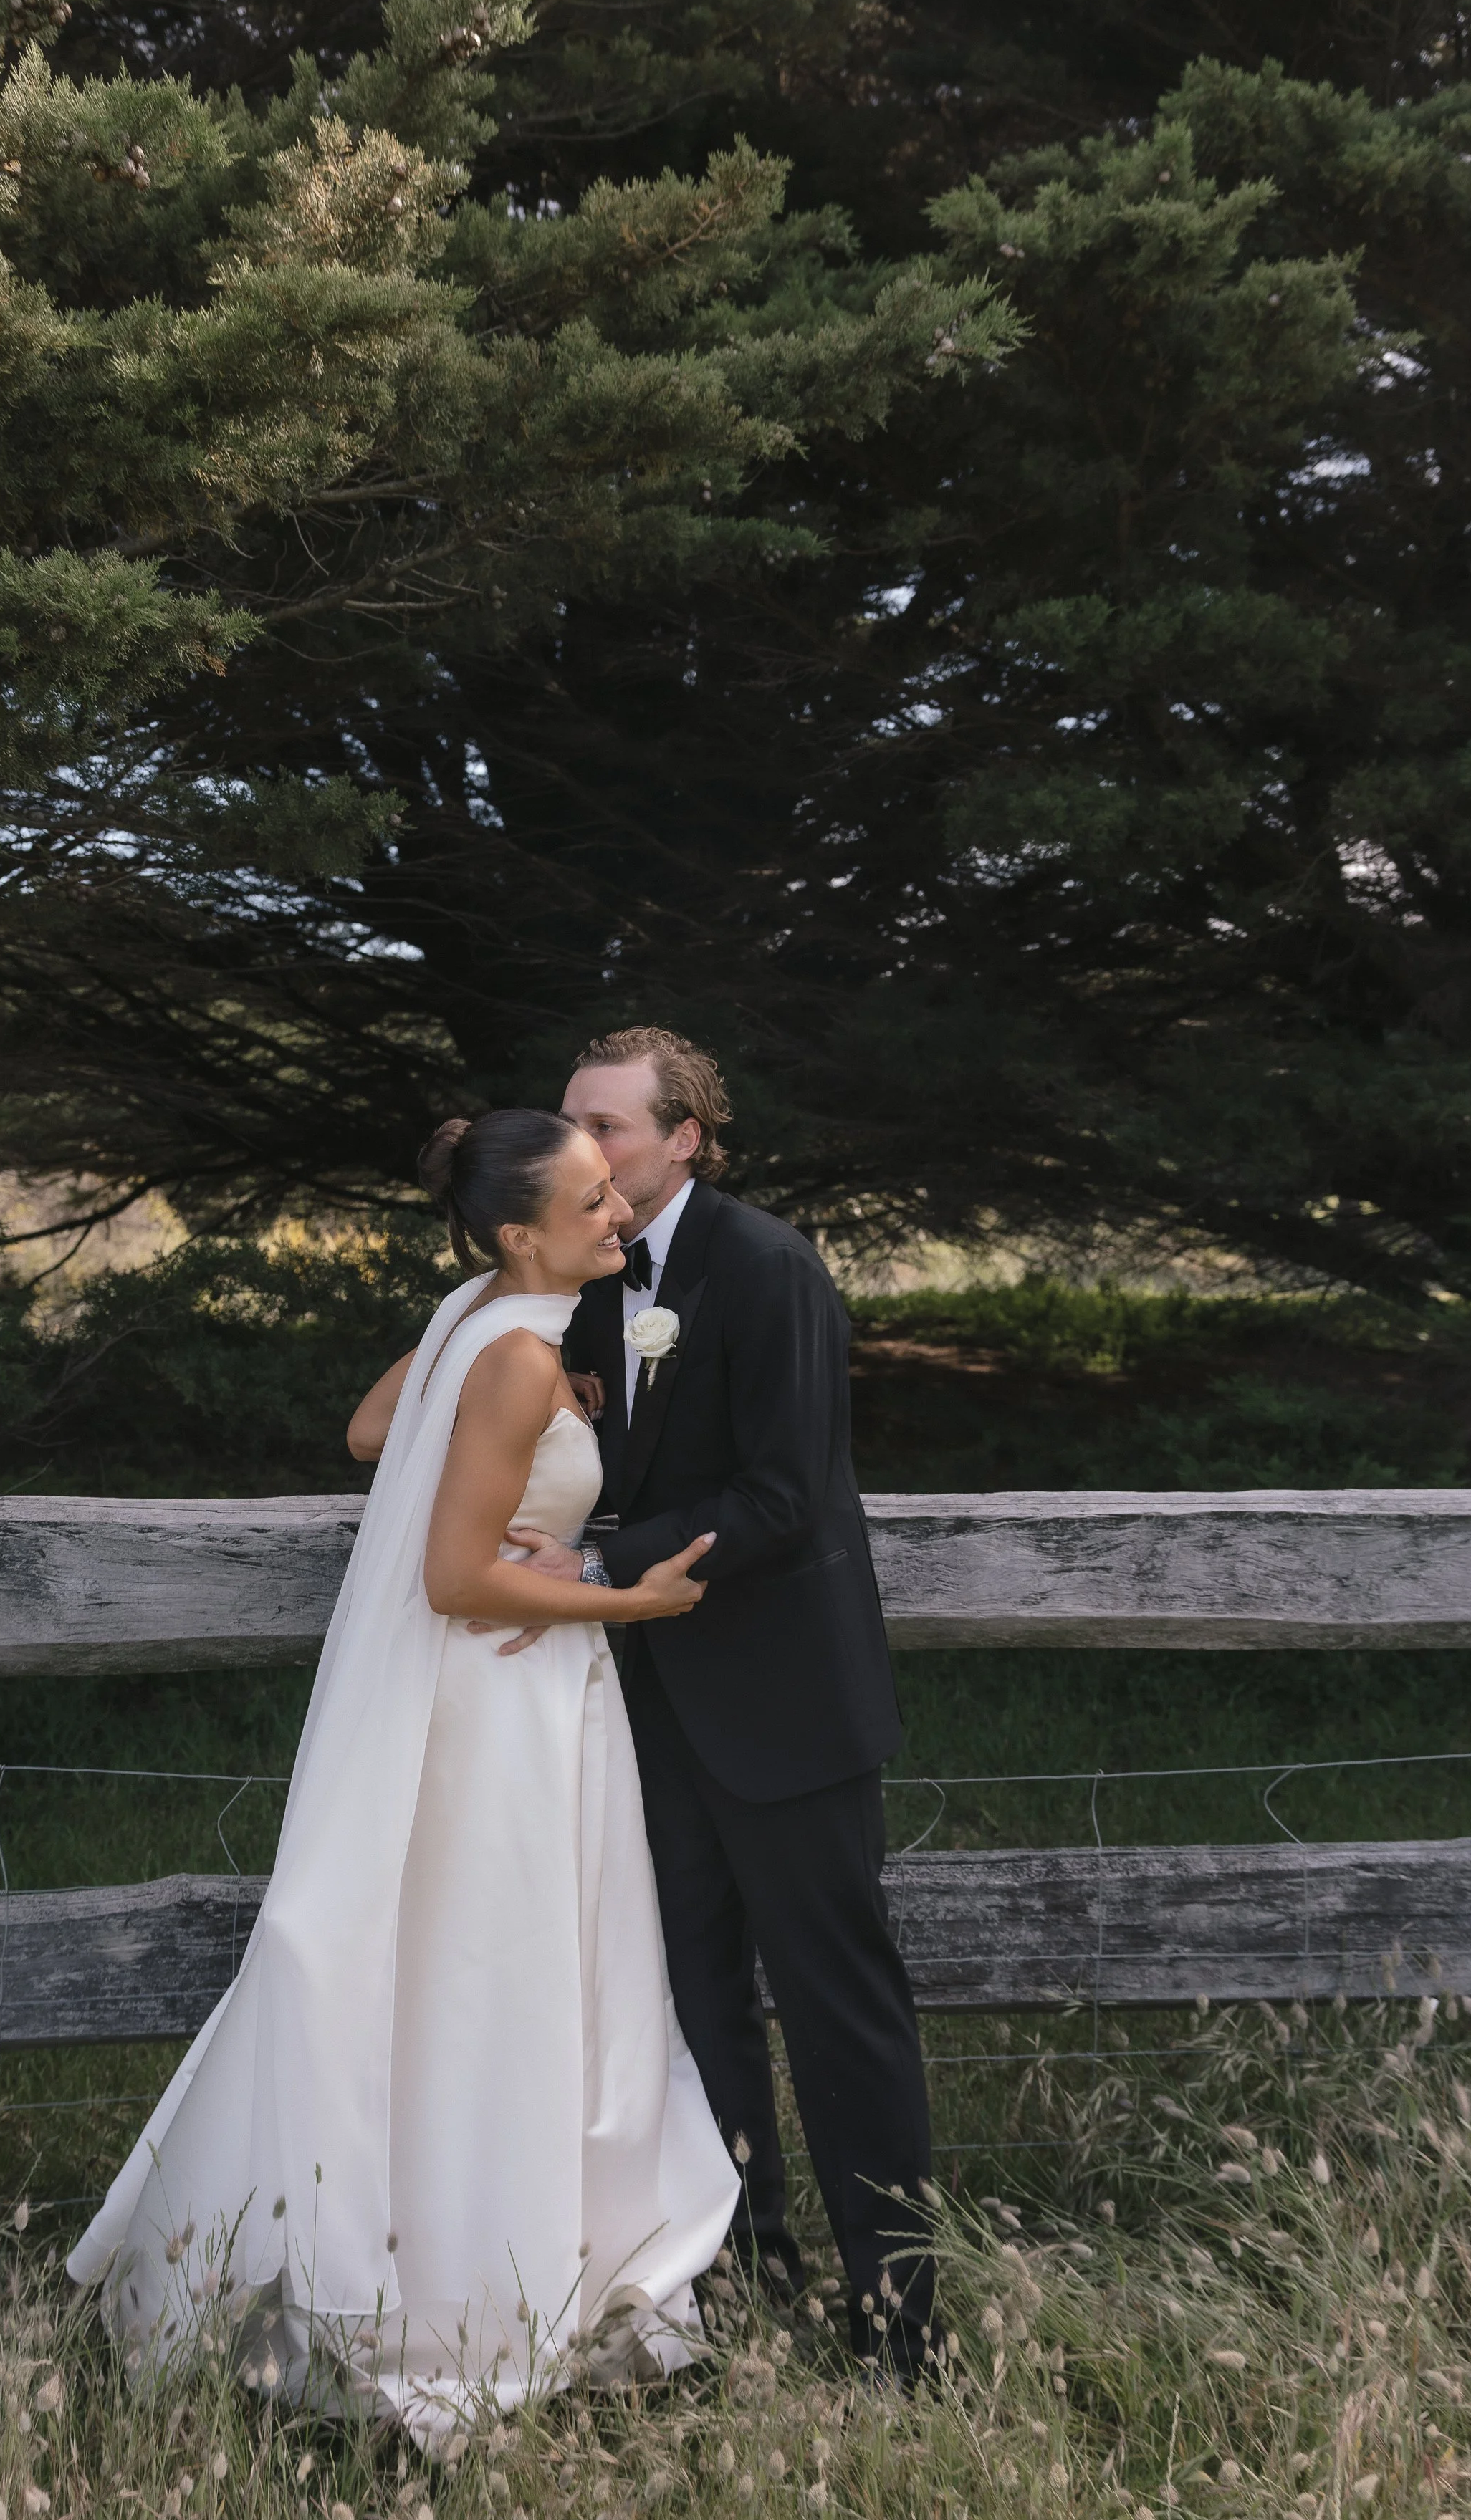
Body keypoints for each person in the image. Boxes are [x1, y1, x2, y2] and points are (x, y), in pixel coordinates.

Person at [66, 1110, 739, 2446]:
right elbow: (450, 1575)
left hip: (509, 1696)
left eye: (616, 1192)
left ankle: (484, 2252)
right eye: (594, 1201)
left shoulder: (477, 1313)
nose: (620, 1214)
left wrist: (532, 1454)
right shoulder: (509, 1350)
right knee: (502, 1973)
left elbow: (374, 1430)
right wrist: (633, 1599)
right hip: (511, 1698)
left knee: (459, 1965)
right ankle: (467, 2290)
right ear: (519, 1231)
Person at [526, 1028, 937, 2380]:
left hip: (787, 1709)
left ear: (687, 1135)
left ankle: (901, 2330)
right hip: (644, 1718)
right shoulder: (580, 1277)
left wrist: (592, 1559)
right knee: (693, 2011)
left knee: (840, 2013)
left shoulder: (767, 1268)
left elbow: (782, 1498)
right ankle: (746, 2291)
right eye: (574, 1128)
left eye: (613, 1127)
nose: (588, 1150)